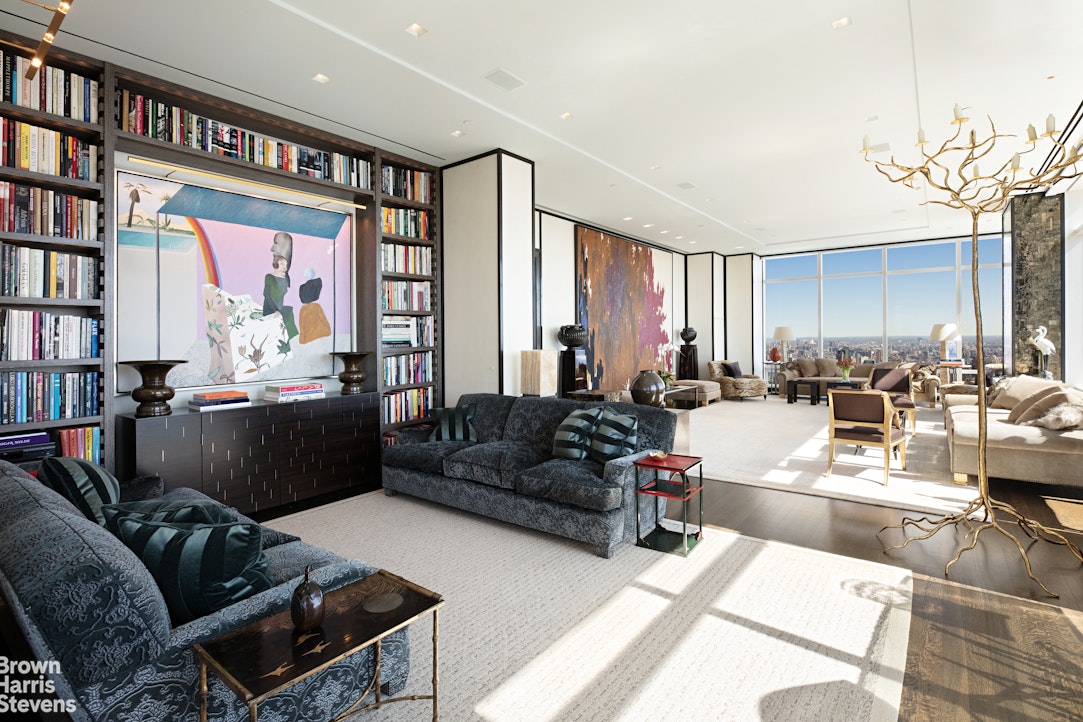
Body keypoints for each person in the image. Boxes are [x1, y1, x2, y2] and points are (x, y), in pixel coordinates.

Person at [263, 253, 298, 339]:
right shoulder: (269, 277)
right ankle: (288, 339)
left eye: (285, 264)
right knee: (286, 313)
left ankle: (292, 339)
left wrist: (282, 279)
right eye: (282, 263)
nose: (284, 267)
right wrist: (275, 310)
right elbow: (267, 295)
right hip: (270, 308)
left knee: (289, 311)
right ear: (276, 263)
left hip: (279, 307)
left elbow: (282, 293)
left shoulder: (284, 279)